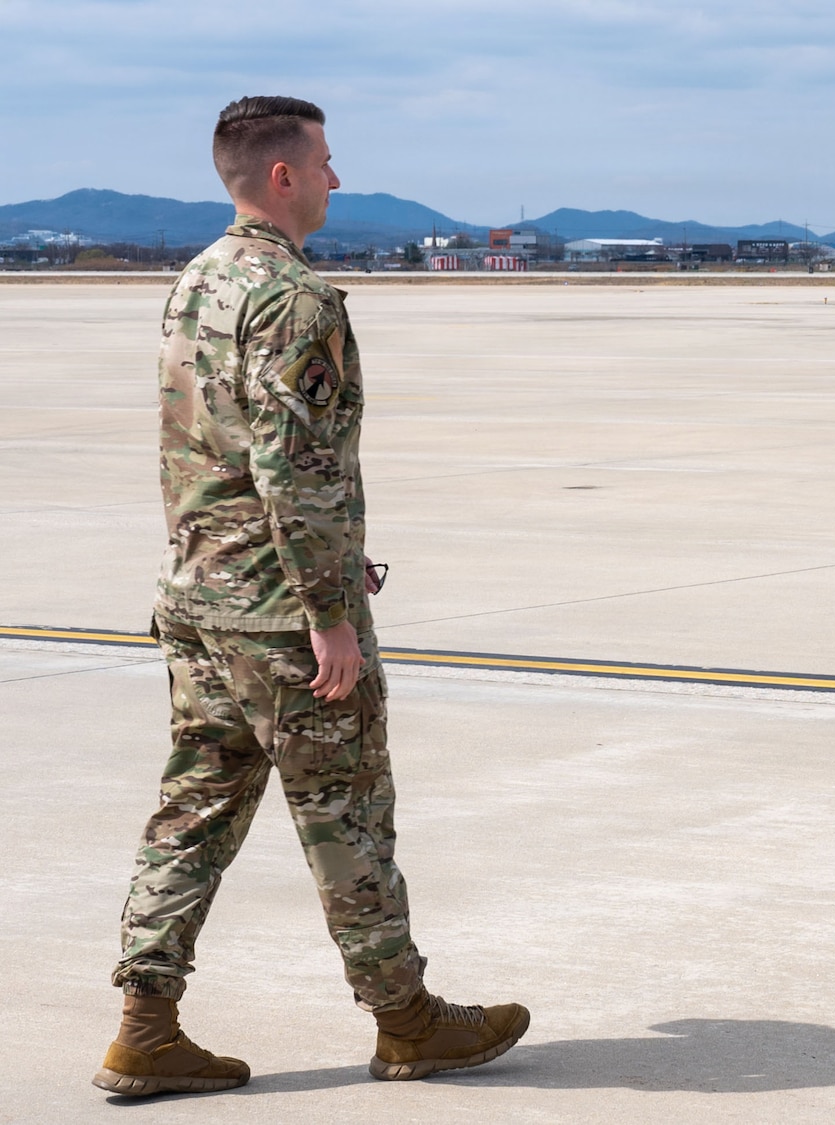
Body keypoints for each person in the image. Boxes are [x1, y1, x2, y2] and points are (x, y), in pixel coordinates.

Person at [95, 96, 529, 1097]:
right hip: (278, 617)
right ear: (281, 175)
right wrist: (327, 608)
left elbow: (201, 452)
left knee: (194, 808)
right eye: (325, 162)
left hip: (200, 597)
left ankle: (144, 1024)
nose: (337, 178)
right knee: (346, 811)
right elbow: (296, 465)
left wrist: (294, 565)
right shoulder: (295, 298)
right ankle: (407, 1021)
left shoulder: (196, 280)